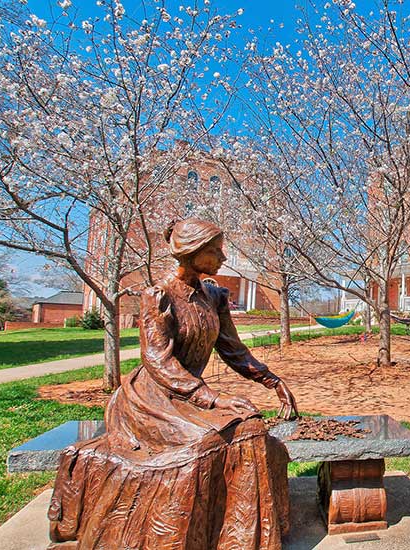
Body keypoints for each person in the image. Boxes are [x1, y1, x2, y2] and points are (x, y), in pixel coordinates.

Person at [48, 218, 299, 550]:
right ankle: (175, 536)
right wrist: (212, 399)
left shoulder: (215, 296)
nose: (222, 258)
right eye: (215, 251)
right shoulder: (159, 296)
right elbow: (158, 361)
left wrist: (272, 381)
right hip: (151, 398)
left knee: (251, 426)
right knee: (207, 443)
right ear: (191, 251)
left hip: (191, 396)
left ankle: (240, 538)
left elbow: (233, 350)